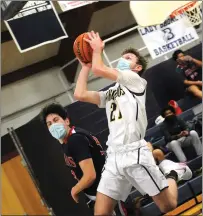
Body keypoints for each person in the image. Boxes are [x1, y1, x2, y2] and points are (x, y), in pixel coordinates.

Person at [74, 30, 192, 215]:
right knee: (101, 213)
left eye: (128, 58)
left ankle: (173, 172)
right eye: (122, 57)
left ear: (137, 68)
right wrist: (85, 66)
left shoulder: (136, 81)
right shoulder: (111, 92)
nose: (122, 59)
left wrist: (96, 51)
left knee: (168, 205)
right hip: (114, 156)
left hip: (134, 153)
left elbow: (100, 69)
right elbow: (79, 94)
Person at [40, 103, 127, 216]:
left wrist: (75, 190)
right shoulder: (69, 139)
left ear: (66, 121)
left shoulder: (75, 140)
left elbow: (90, 176)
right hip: (100, 192)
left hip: (106, 192)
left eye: (56, 120)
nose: (53, 126)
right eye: (49, 124)